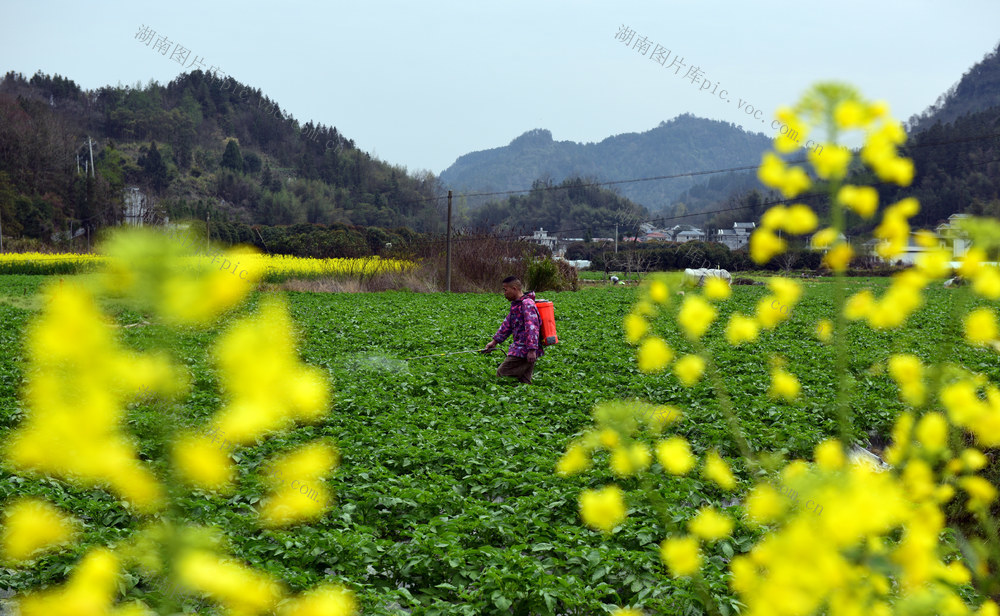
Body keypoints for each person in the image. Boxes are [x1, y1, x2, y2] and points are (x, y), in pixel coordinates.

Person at [483, 276, 543, 384]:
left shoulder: (527, 304)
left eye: (505, 290)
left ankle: (505, 397)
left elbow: (532, 327)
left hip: (524, 350)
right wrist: (494, 342)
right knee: (524, 382)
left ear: (514, 289)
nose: (504, 293)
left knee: (502, 373)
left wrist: (532, 350)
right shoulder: (516, 305)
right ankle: (522, 399)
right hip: (523, 348)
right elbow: (507, 325)